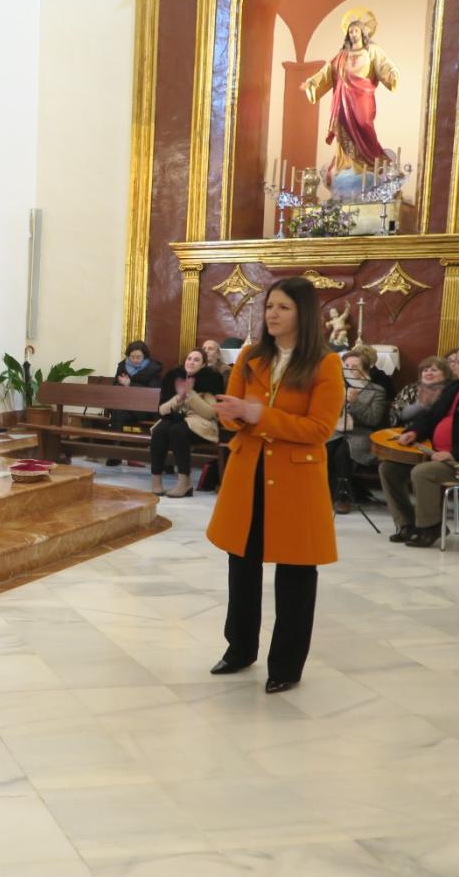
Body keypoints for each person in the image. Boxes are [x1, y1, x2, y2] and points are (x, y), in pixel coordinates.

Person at [206, 276, 344, 694]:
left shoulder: (325, 363)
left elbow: (319, 429)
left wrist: (256, 414)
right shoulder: (251, 355)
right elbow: (231, 414)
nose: (272, 314)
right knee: (242, 567)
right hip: (248, 475)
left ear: (304, 313)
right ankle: (239, 649)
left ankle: (285, 665)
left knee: (296, 575)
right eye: (269, 307)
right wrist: (231, 413)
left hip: (296, 479)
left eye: (282, 307)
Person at [379, 343, 459, 545]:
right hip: (434, 454)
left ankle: (430, 528)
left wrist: (454, 454)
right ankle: (407, 524)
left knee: (423, 472)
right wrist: (414, 432)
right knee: (388, 468)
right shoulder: (453, 387)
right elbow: (431, 417)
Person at [303, 14, 399, 184]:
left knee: (364, 125)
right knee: (344, 129)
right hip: (343, 100)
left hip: (363, 98)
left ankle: (370, 161)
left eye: (356, 31)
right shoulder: (342, 55)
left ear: (363, 33)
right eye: (350, 31)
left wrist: (391, 74)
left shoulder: (372, 51)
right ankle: (346, 163)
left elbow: (385, 65)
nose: (353, 34)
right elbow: (327, 71)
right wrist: (312, 82)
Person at [149, 349, 223, 498]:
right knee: (160, 431)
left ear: (203, 365)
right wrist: (177, 398)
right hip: (176, 419)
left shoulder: (211, 379)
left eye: (196, 360)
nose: (191, 362)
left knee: (178, 430)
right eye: (189, 359)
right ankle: (156, 480)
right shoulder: (173, 377)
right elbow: (162, 411)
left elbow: (210, 413)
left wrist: (190, 395)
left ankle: (184, 482)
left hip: (202, 423)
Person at [325, 350, 389, 514]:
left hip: (360, 434)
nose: (349, 370)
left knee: (343, 451)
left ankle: (342, 498)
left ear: (365, 370)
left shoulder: (377, 390)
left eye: (355, 367)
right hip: (336, 430)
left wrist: (355, 403)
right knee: (325, 449)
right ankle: (325, 494)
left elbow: (373, 420)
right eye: (346, 366)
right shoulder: (337, 386)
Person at [106, 340, 162, 463]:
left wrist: (130, 384)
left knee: (118, 411)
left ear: (145, 356)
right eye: (132, 357)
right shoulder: (122, 366)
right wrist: (122, 386)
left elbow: (154, 391)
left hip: (143, 408)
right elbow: (115, 385)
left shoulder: (154, 368)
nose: (135, 360)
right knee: (117, 410)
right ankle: (115, 453)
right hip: (124, 406)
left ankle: (115, 454)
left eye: (139, 357)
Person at [390, 355, 454, 427]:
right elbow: (398, 415)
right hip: (408, 433)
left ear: (445, 374)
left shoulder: (451, 391)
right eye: (425, 370)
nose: (428, 373)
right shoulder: (410, 389)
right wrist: (421, 405)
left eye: (434, 370)